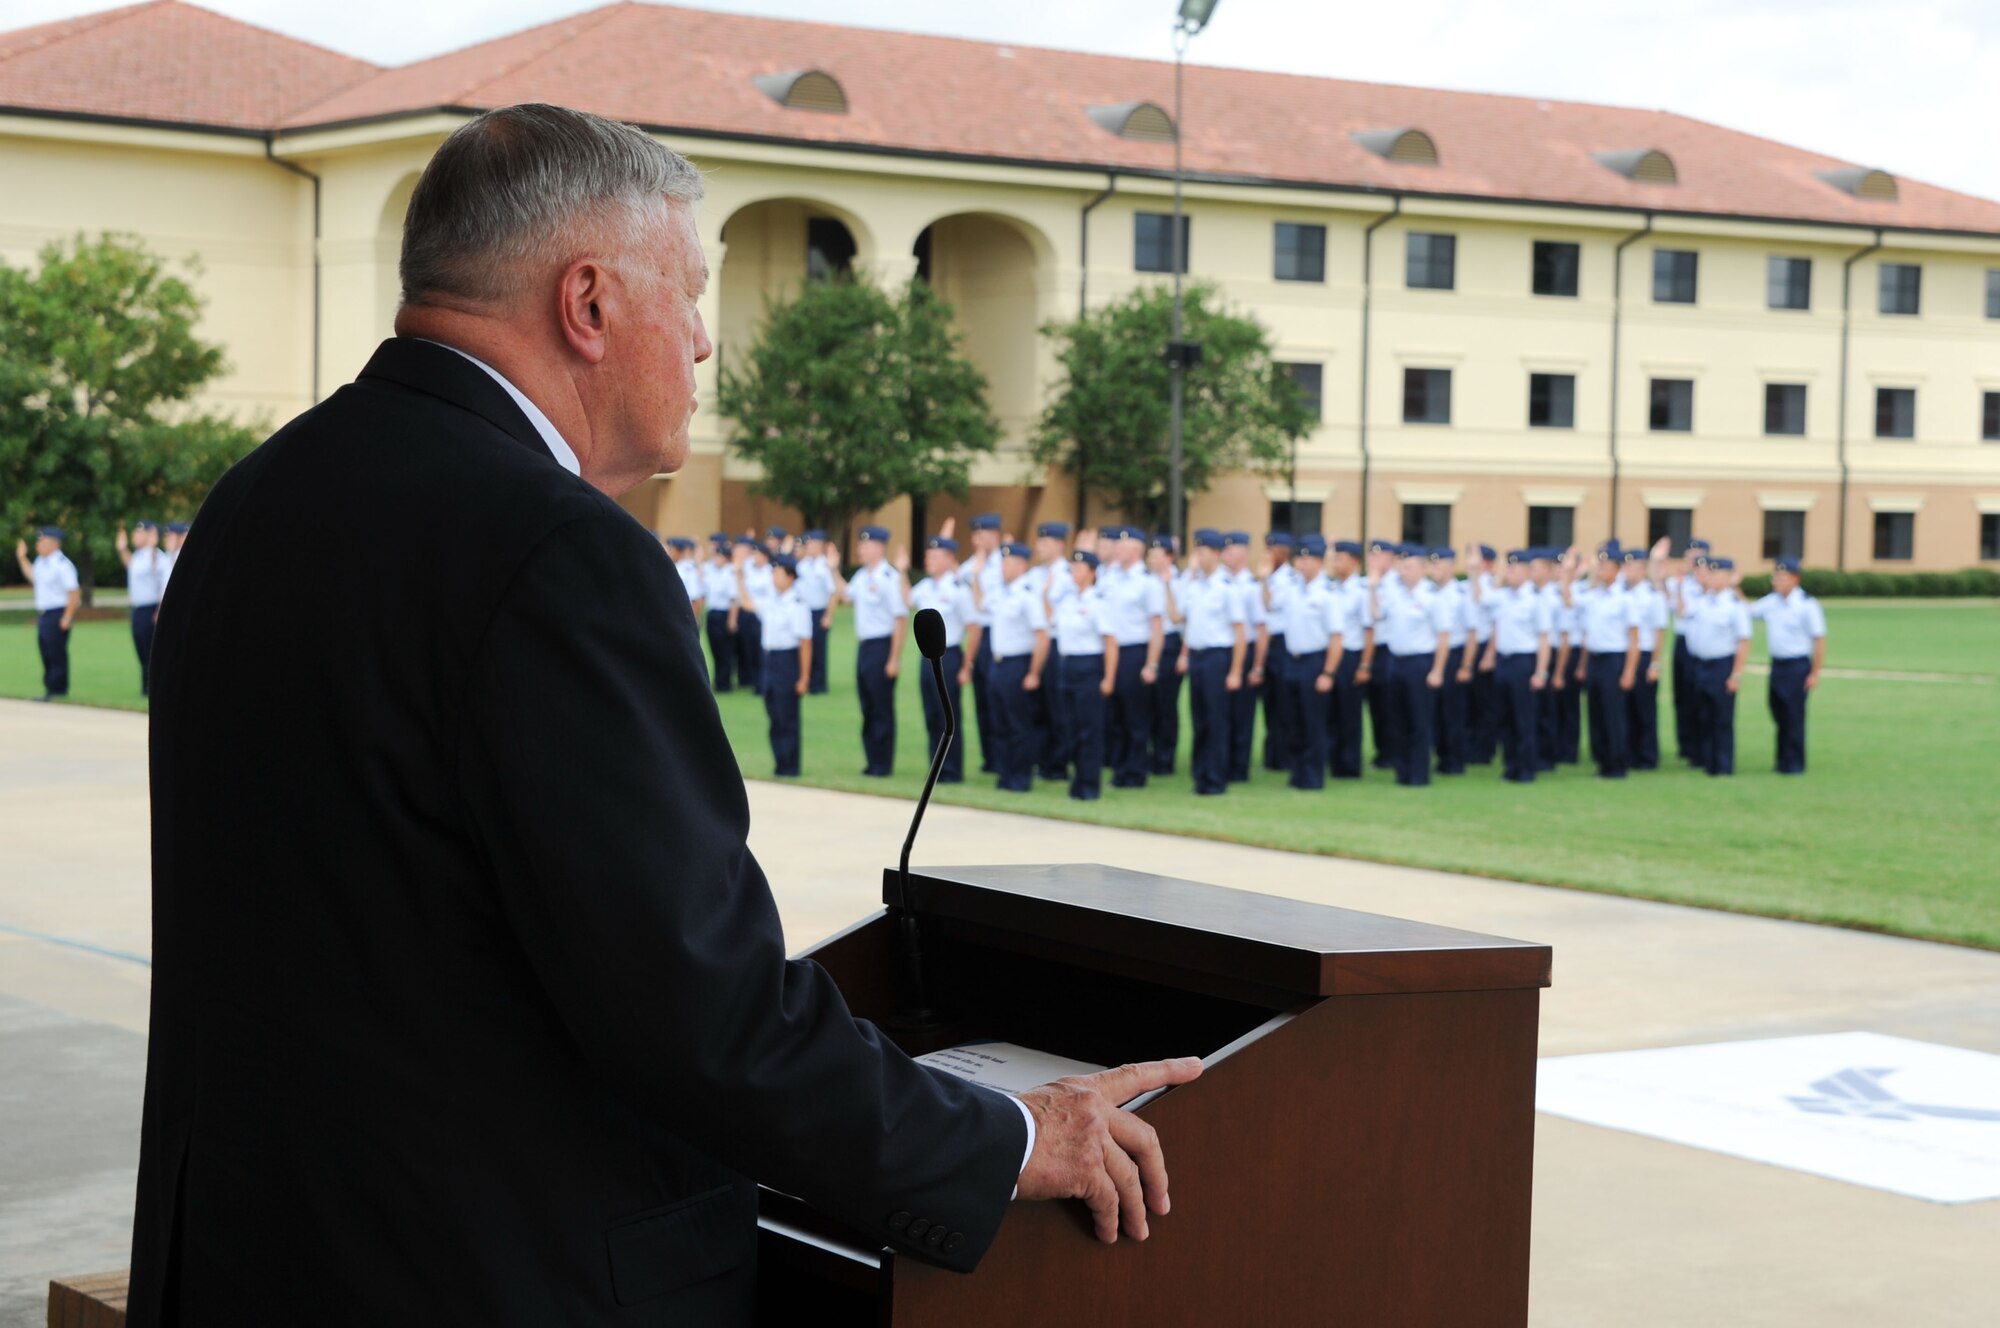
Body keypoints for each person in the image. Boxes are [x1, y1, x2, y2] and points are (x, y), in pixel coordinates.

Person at [128, 106, 1199, 1328]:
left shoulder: (259, 495)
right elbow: (699, 1013)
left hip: (253, 1254)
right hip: (485, 1274)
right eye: (689, 294)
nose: (700, 344)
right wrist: (1008, 1139)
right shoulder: (554, 552)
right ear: (586, 304)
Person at [1176, 529, 1246, 795]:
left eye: (1202, 552)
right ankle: (1201, 774)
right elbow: (1178, 616)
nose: (1198, 557)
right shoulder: (1195, 585)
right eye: (1197, 551)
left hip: (1218, 657)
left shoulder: (1227, 588)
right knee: (1200, 719)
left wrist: (1236, 671)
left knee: (1217, 720)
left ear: (1216, 554)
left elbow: (1240, 632)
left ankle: (1216, 778)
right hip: (1197, 656)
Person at [908, 534, 979, 783]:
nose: (930, 560)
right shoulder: (926, 587)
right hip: (926, 657)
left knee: (947, 716)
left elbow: (974, 627)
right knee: (930, 715)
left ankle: (951, 771)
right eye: (928, 555)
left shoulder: (958, 588)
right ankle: (935, 768)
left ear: (950, 559)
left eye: (936, 556)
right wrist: (901, 570)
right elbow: (906, 598)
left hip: (949, 657)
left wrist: (967, 665)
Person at [980, 540, 1050, 792]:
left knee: (1019, 724)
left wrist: (1033, 672)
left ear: (1021, 565)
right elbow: (980, 605)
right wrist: (977, 574)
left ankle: (1020, 777)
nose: (1003, 568)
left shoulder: (1028, 595)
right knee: (999, 723)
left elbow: (1042, 637)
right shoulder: (1000, 592)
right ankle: (1005, 774)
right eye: (1002, 562)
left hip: (1018, 664)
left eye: (1008, 563)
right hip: (997, 663)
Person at [1273, 535, 1341, 790]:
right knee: (1293, 721)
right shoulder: (1292, 589)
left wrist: (1328, 673)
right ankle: (1297, 772)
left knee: (1313, 722)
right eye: (1299, 558)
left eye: (1307, 559)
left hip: (1315, 661)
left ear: (1319, 562)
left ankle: (1312, 776)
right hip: (1292, 660)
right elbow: (1269, 604)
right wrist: (1265, 577)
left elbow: (1336, 638)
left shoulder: (1327, 593)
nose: (1301, 564)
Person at [1099, 526, 1165, 788]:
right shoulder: (1109, 577)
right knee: (1113, 715)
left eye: (1124, 546)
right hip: (1110, 651)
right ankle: (1119, 766)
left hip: (1134, 652)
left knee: (1134, 716)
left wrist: (1151, 663)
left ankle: (1136, 771)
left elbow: (1157, 627)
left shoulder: (1148, 582)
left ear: (1137, 550)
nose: (1118, 549)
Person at [1568, 541, 1640, 778]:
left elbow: (1634, 639)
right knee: (1596, 713)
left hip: (1614, 660)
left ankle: (1617, 763)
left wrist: (1629, 672)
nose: (1600, 571)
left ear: (1617, 570)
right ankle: (1602, 761)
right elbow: (1569, 602)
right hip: (1595, 659)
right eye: (1598, 566)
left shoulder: (1625, 599)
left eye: (1605, 567)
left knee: (1613, 715)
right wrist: (1567, 573)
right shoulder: (1594, 596)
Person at [1479, 550, 1552, 783]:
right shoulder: (1502, 597)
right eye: (1508, 569)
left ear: (1528, 572)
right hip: (1504, 661)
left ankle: (1525, 768)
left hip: (1524, 662)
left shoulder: (1535, 600)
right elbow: (1481, 599)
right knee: (1504, 718)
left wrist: (1541, 671)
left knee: (1524, 719)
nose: (1509, 573)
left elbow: (1543, 639)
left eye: (1514, 569)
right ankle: (1510, 766)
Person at [1376, 545, 1447, 787]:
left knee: (1419, 720)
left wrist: (1437, 670)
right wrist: (1373, 587)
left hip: (1420, 662)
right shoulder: (1395, 594)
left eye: (1407, 567)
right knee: (1397, 720)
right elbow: (1376, 615)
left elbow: (1443, 636)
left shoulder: (1431, 596)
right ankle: (1402, 770)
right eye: (1401, 567)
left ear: (1421, 569)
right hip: (1396, 661)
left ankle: (1419, 773)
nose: (1402, 572)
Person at [738, 550, 811, 777]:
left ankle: (790, 766)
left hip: (787, 660)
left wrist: (804, 677)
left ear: (790, 577)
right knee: (774, 715)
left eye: (778, 573)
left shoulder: (797, 604)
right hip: (769, 660)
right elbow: (748, 603)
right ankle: (780, 763)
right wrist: (738, 576)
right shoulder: (772, 600)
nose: (773, 577)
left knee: (787, 716)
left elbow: (805, 643)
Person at [1051, 549, 1118, 800]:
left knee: (1089, 730)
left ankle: (1089, 785)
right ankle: (1077, 782)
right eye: (1072, 568)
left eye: (1080, 569)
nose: (1074, 573)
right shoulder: (1068, 602)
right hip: (1067, 666)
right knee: (1070, 728)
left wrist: (1109, 678)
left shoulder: (1097, 602)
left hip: (1089, 667)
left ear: (1092, 573)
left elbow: (1111, 643)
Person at [1751, 555, 1826, 774]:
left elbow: (1819, 639)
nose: (1777, 581)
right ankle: (1782, 760)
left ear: (1795, 579)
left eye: (1782, 577)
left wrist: (1814, 672)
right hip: (1777, 665)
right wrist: (1733, 586)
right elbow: (1747, 610)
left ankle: (1794, 763)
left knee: (1794, 715)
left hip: (1797, 665)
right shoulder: (1771, 601)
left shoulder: (1807, 605)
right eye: (1776, 576)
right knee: (1778, 712)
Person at [844, 524, 907, 777]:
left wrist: (894, 658)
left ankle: (883, 763)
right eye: (861, 544)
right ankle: (872, 760)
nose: (861, 548)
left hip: (882, 646)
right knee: (867, 706)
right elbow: (846, 596)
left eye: (865, 544)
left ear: (880, 547)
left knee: (881, 708)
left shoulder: (888, 577)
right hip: (864, 648)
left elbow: (900, 619)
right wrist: (830, 569)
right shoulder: (862, 576)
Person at [1683, 556, 1752, 776]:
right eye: (1709, 573)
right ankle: (1708, 762)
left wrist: (1736, 674)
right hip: (1701, 664)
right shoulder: (1703, 601)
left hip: (1722, 665)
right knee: (1704, 715)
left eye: (1716, 574)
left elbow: (1744, 641)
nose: (1711, 578)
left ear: (1728, 577)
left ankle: (1723, 765)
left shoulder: (1733, 605)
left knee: (1721, 718)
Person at [1024, 521, 1074, 780]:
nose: (1039, 547)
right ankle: (1039, 760)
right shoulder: (1033, 575)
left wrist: (1045, 599)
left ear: (1059, 545)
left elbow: (1056, 617)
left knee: (1057, 707)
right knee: (1036, 707)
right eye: (1038, 542)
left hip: (1056, 645)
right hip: (1035, 644)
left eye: (1045, 543)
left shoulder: (1068, 575)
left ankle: (1058, 764)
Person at [1220, 531, 1268, 782]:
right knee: (1220, 712)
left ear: (1244, 553)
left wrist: (1257, 666)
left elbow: (1261, 630)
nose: (1226, 554)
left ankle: (1238, 768)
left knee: (1241, 714)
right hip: (1222, 652)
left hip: (1245, 650)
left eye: (1232, 550)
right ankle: (1221, 761)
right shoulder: (1218, 582)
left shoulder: (1251, 586)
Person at [1325, 540, 1373, 779]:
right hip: (1331, 656)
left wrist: (1364, 664)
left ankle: (1349, 764)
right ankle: (1333, 760)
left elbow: (1369, 631)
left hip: (1351, 656)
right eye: (1334, 559)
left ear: (1354, 562)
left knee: (1349, 714)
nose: (1335, 564)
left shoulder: (1360, 592)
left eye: (1340, 559)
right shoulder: (1331, 588)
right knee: (1330, 712)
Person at [16, 527, 80, 702]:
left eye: (42, 541)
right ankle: (50, 687)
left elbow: (73, 592)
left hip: (57, 612)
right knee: (45, 651)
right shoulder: (41, 562)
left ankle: (58, 689)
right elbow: (33, 576)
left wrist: (67, 616)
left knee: (55, 652)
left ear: (55, 544)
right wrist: (22, 558)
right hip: (44, 614)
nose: (38, 545)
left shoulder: (62, 564)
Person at [1623, 543, 1670, 771]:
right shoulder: (1622, 593)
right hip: (1625, 654)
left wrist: (1655, 663)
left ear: (1643, 570)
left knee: (1644, 709)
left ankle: (1647, 756)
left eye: (1631, 567)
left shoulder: (1653, 596)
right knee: (1626, 708)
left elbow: (1659, 631)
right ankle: (1629, 753)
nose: (1627, 571)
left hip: (1644, 655)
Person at [963, 514, 1005, 773]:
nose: (980, 539)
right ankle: (989, 757)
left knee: (998, 698)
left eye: (985, 534)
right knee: (981, 700)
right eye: (977, 534)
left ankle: (1003, 756)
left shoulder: (1006, 562)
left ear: (996, 536)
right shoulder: (968, 567)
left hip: (999, 634)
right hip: (976, 633)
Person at [1428, 547, 1471, 776]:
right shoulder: (1430, 593)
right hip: (1434, 654)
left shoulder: (1461, 595)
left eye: (1440, 564)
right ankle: (1441, 756)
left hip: (1454, 655)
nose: (1435, 569)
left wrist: (1465, 665)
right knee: (1435, 712)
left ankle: (1454, 760)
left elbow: (1472, 633)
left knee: (1452, 712)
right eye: (1433, 565)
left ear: (1452, 567)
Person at [1260, 531, 1300, 771]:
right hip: (1266, 643)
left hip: (1283, 643)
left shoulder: (1290, 579)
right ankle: (1272, 756)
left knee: (1284, 704)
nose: (1267, 554)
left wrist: (1264, 580)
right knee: (1270, 702)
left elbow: (1270, 603)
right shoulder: (1267, 576)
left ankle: (1284, 756)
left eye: (1272, 550)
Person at [1147, 533, 1186, 775]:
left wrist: (1168, 585)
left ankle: (1165, 758)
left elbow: (1176, 617)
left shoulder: (1182, 582)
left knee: (1166, 705)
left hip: (1170, 644)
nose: (1150, 558)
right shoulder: (1145, 580)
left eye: (1156, 554)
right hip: (1150, 642)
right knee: (1148, 704)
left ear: (1169, 557)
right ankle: (1149, 753)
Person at [1668, 538, 1710, 762]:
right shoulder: (1679, 582)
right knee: (1681, 696)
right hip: (1682, 641)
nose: (1692, 560)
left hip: (1701, 644)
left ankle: (1700, 746)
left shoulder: (1710, 585)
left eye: (1697, 556)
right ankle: (1684, 744)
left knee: (1698, 697)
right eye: (1689, 556)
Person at [118, 520, 169, 695]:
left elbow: (163, 584)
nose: (135, 536)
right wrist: (122, 550)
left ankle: (151, 686)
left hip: (151, 609)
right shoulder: (139, 556)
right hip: (138, 609)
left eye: (139, 533)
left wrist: (160, 610)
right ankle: (146, 685)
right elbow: (131, 567)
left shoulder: (156, 556)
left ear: (150, 534)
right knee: (141, 647)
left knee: (150, 649)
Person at [1363, 537, 1401, 769]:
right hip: (1371, 649)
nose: (1375, 560)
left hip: (1391, 649)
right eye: (1372, 555)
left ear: (1391, 558)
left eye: (1380, 555)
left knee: (1392, 705)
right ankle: (1382, 751)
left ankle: (1394, 752)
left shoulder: (1398, 584)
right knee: (1375, 705)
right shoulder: (1365, 582)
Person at [795, 529, 836, 694]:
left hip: (819, 611)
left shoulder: (825, 566)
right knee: (805, 647)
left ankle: (819, 685)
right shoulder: (802, 565)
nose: (810, 547)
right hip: (804, 612)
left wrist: (828, 615)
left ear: (822, 546)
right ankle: (807, 680)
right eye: (809, 543)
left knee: (819, 650)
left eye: (813, 544)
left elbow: (833, 593)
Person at [700, 533, 738, 690]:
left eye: (719, 556)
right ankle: (718, 679)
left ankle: (725, 682)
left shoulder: (730, 573)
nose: (716, 559)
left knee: (724, 650)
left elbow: (734, 599)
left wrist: (732, 619)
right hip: (712, 613)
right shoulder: (713, 571)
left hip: (724, 614)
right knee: (714, 648)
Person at [667, 535, 705, 615]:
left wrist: (694, 621)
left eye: (672, 549)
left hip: (684, 613)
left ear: (679, 551)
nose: (669, 551)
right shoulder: (677, 566)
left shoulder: (688, 569)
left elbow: (695, 599)